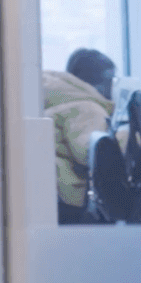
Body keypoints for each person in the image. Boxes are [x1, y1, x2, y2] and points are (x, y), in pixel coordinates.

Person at [44, 49, 115, 225]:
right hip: (69, 194)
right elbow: (89, 154)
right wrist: (122, 139)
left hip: (50, 188)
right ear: (103, 81)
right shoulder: (88, 108)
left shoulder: (59, 97)